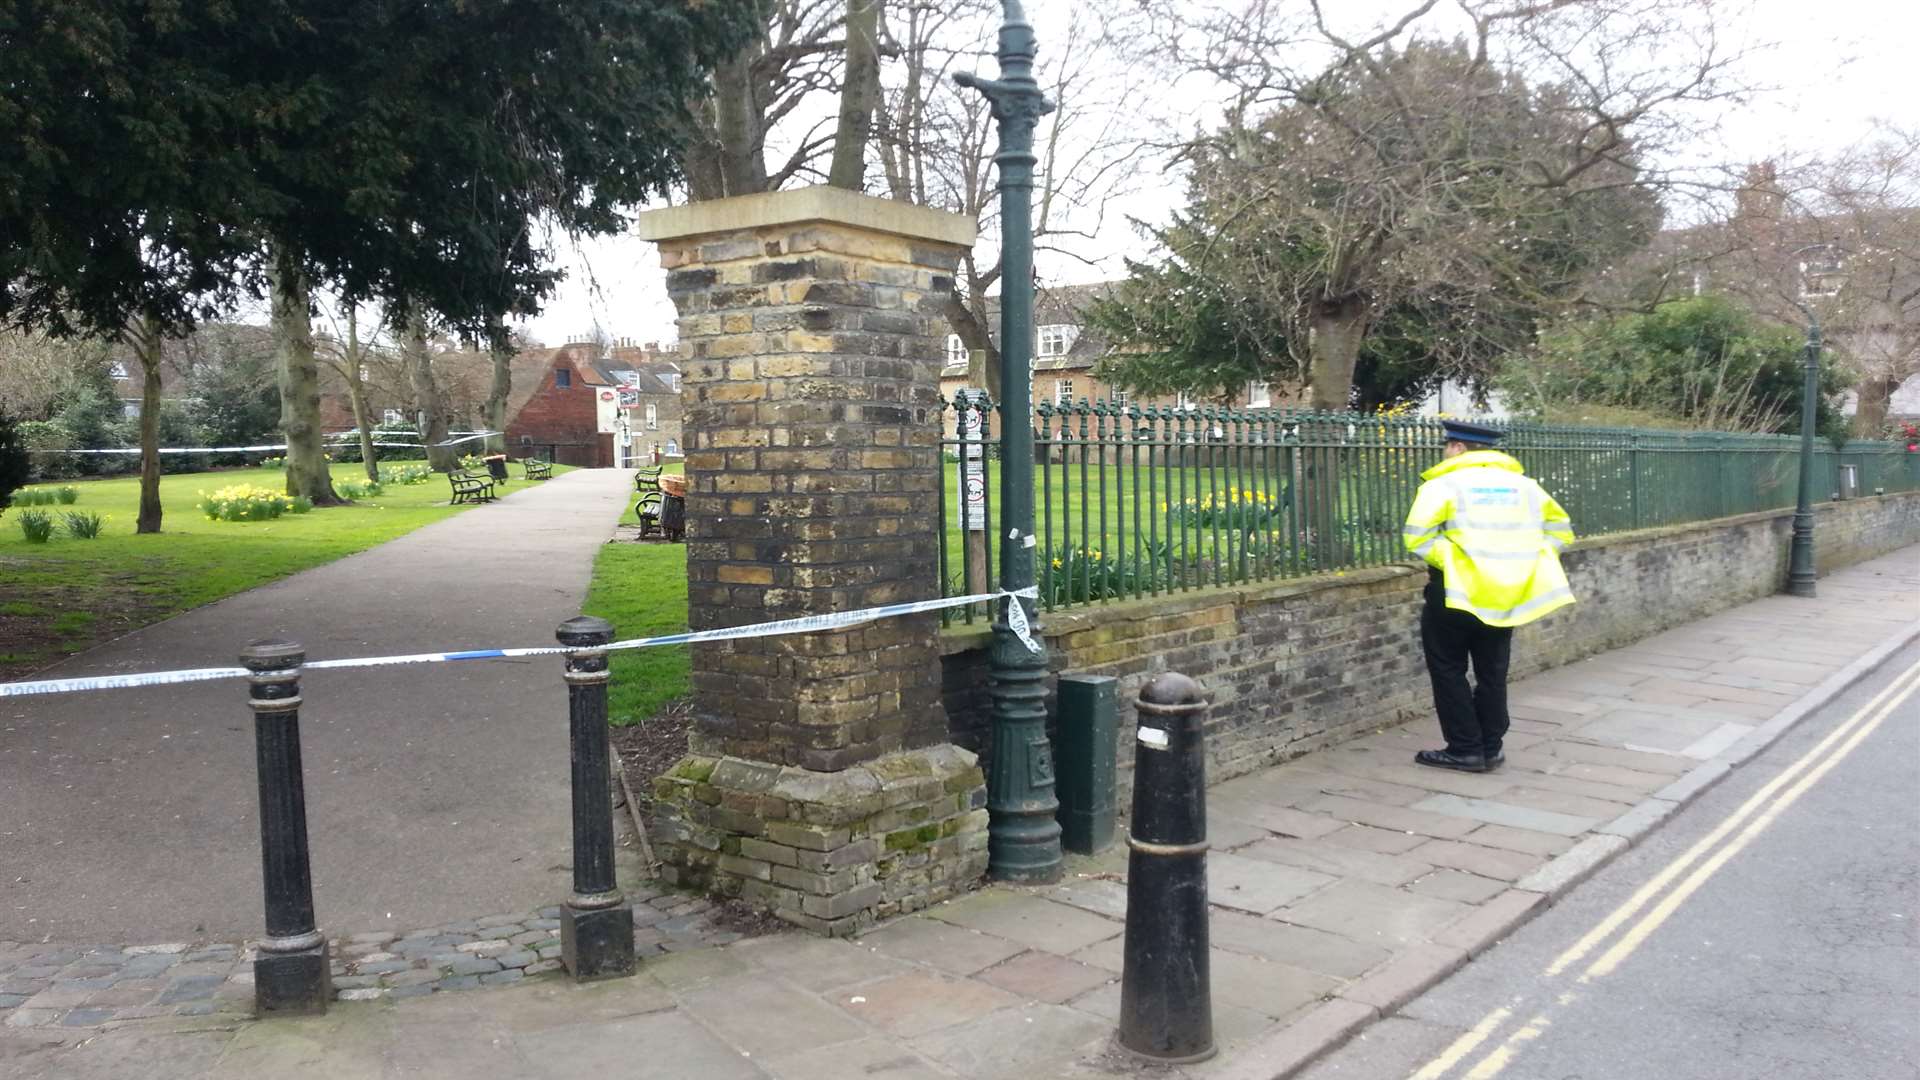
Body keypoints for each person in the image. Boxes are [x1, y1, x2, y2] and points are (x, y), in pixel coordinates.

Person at [1402, 420, 1575, 773]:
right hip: (1507, 591)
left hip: (1455, 590)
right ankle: (1491, 747)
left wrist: (1454, 560)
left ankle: (1464, 748)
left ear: (1459, 448)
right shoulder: (1526, 487)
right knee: (1493, 670)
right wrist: (1528, 561)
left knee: (1448, 668)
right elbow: (1561, 531)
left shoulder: (1444, 484)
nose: (1445, 450)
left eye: (1448, 444)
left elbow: (1417, 537)